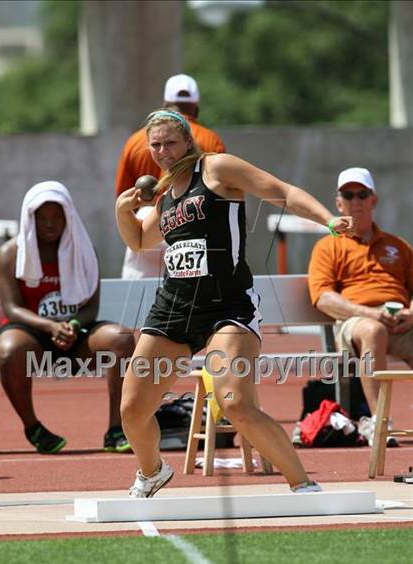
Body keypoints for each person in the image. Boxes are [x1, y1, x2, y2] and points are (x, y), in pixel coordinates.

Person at [115, 109, 354, 498]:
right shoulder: (165, 195)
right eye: (155, 145)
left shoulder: (216, 169)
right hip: (174, 308)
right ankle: (152, 471)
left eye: (170, 142)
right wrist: (121, 211)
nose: (163, 151)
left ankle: (303, 483)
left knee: (235, 402)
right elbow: (140, 241)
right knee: (132, 408)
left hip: (227, 306)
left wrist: (327, 220)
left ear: (188, 141)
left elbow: (283, 192)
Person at [0, 181, 135, 454]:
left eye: (57, 217)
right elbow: (12, 309)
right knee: (8, 350)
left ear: (68, 216)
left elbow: (91, 308)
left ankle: (117, 429)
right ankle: (33, 427)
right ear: (30, 217)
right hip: (32, 334)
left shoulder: (84, 249)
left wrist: (70, 325)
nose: (50, 224)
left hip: (77, 333)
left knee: (123, 339)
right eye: (43, 218)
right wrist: (50, 326)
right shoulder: (9, 254)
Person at [308, 167, 413, 446]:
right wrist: (371, 314)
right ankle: (380, 423)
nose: (356, 201)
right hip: (355, 324)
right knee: (373, 330)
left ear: (373, 200)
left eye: (362, 194)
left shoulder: (398, 246)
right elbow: (324, 298)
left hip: (401, 323)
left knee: (380, 328)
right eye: (348, 195)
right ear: (338, 203)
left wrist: (411, 314)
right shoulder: (328, 246)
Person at [115, 73, 226, 279]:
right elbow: (222, 194)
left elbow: (125, 195)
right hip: (194, 224)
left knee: (139, 301)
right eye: (157, 146)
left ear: (165, 104)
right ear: (195, 106)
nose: (163, 151)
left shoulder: (135, 141)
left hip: (147, 224)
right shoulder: (210, 139)